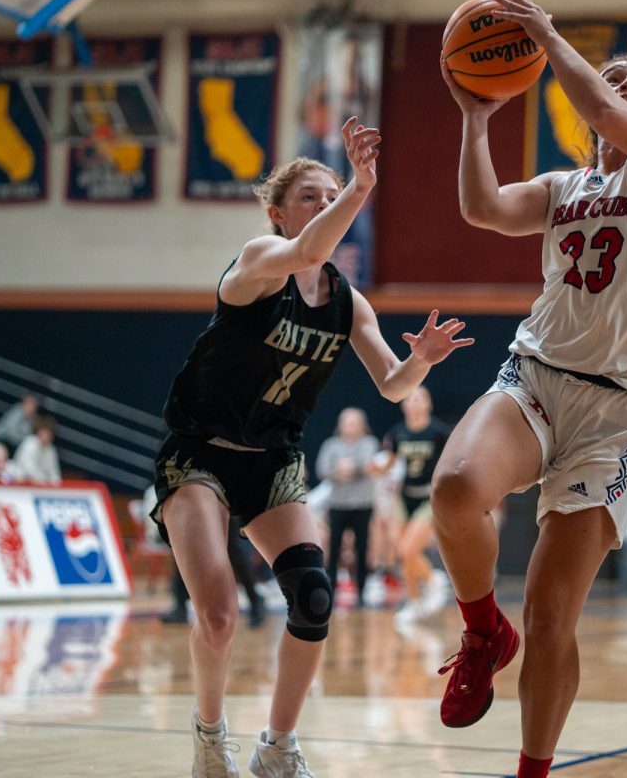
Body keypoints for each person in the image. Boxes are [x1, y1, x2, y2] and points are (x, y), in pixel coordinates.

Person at [148, 117, 474, 778]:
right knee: (216, 613)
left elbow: (390, 383)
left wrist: (425, 363)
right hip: (201, 454)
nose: (327, 206)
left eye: (333, 198)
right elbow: (303, 252)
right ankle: (210, 740)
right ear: (277, 213)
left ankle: (277, 748)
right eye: (311, 198)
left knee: (314, 598)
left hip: (272, 461)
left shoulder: (347, 303)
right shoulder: (258, 263)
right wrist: (360, 185)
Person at [430, 0, 627, 777]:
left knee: (552, 617)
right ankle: (483, 629)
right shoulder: (561, 187)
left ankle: (533, 768)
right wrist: (477, 118)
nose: (620, 85)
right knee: (452, 489)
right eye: (609, 75)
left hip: (619, 412)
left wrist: (545, 37)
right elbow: (482, 208)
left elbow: (617, 123)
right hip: (537, 375)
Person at [381, 385, 453, 624]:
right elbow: (388, 464)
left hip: (428, 497)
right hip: (404, 495)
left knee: (407, 550)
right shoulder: (396, 433)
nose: (414, 402)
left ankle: (432, 581)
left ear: (428, 404)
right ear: (403, 405)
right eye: (410, 398)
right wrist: (375, 469)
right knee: (405, 555)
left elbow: (453, 461)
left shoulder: (439, 432)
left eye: (420, 397)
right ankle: (414, 602)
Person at [315, 407, 381, 607]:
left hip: (363, 504)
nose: (349, 426)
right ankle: (331, 589)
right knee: (333, 548)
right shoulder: (331, 445)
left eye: (354, 422)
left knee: (362, 547)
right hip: (338, 504)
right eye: (346, 422)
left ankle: (361, 590)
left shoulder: (370, 443)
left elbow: (368, 465)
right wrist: (339, 470)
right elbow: (322, 469)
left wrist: (351, 468)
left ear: (362, 425)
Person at [13, 416, 61, 483]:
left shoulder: (51, 449)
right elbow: (29, 468)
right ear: (38, 431)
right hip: (21, 483)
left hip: (41, 484)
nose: (47, 436)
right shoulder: (29, 443)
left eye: (49, 434)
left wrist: (56, 483)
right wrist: (44, 480)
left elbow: (54, 471)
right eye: (45, 432)